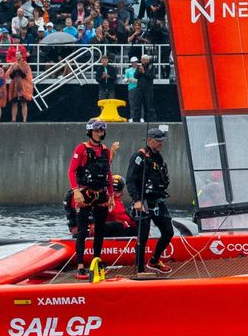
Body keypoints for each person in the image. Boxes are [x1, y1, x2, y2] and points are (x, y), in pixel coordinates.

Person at [68, 119, 120, 278]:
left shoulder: (105, 150)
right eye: (96, 131)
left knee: (100, 229)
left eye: (101, 131)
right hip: (85, 193)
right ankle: (80, 264)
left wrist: (111, 195)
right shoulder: (81, 148)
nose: (99, 133)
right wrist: (75, 191)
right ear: (90, 132)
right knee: (83, 230)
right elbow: (71, 171)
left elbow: (108, 174)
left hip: (101, 193)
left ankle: (96, 260)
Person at [126, 126, 175, 274]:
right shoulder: (139, 157)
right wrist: (136, 200)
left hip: (157, 201)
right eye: (158, 141)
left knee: (168, 232)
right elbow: (130, 180)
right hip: (143, 202)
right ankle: (140, 270)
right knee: (143, 236)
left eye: (162, 141)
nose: (161, 143)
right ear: (149, 140)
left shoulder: (158, 157)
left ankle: (154, 261)